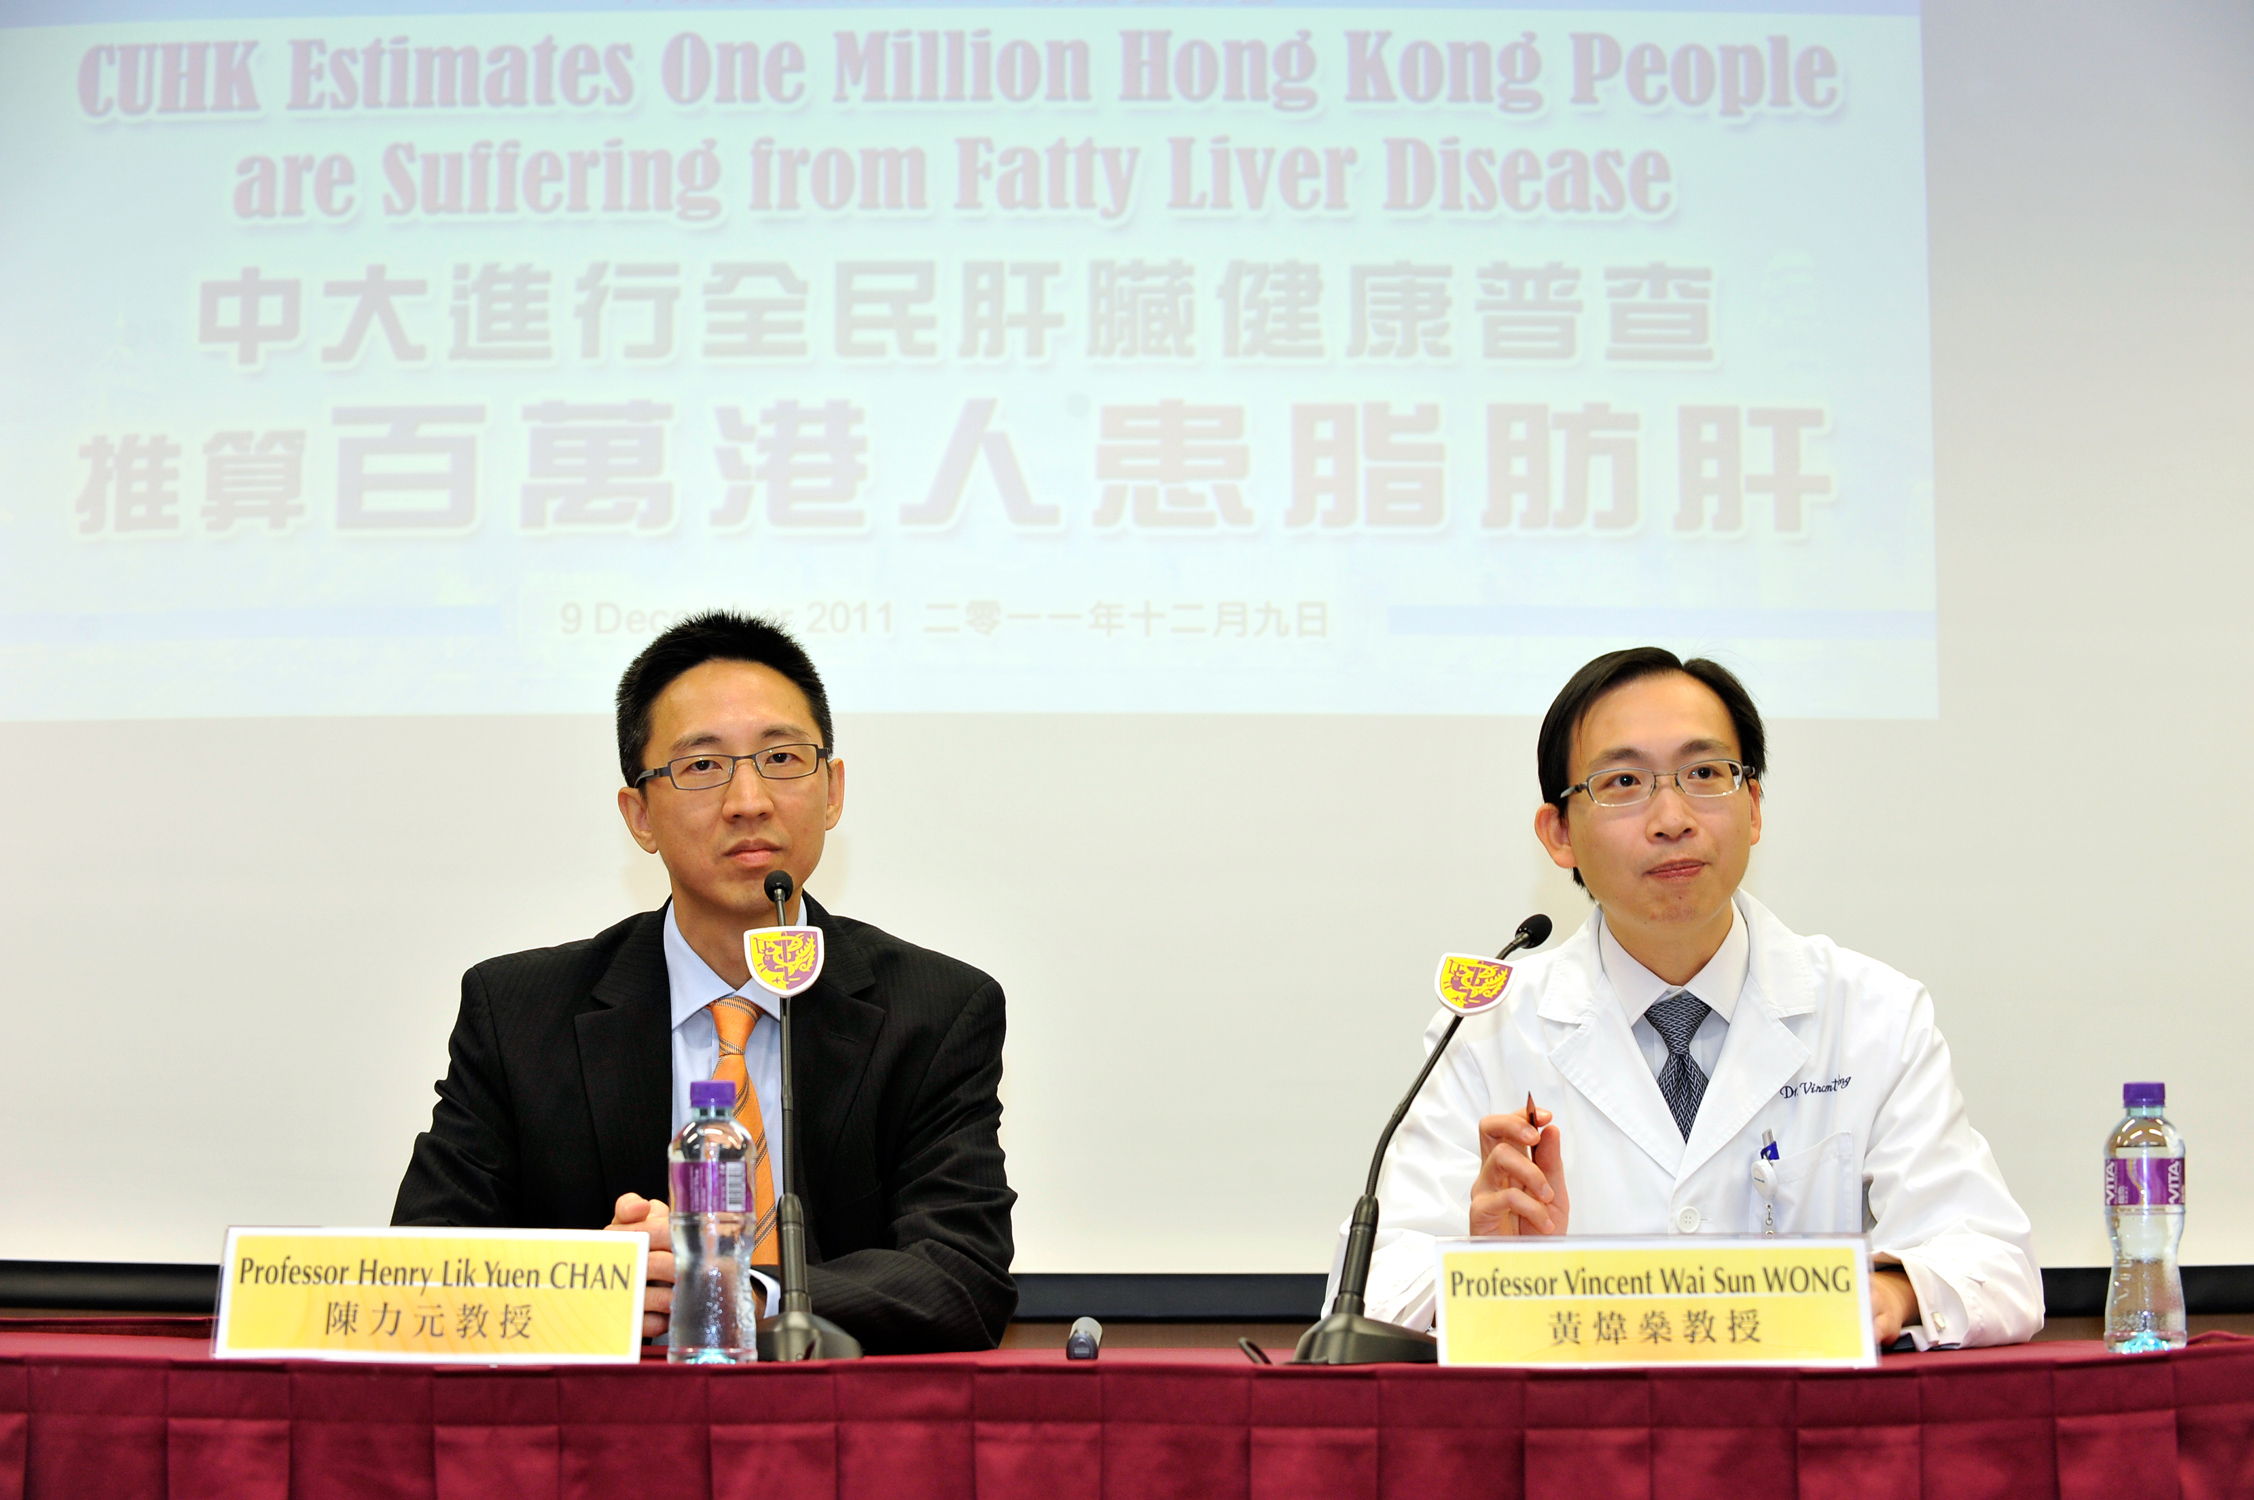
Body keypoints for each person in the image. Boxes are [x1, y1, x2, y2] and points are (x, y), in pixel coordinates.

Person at [1351, 647, 2041, 1348]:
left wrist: (1892, 1289)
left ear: (1755, 807)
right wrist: (1487, 1267)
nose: (1672, 817)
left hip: (1798, 1437)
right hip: (1582, 1440)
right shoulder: (1483, 1031)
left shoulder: (1873, 1013)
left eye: (1706, 774)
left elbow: (1996, 1263)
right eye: (1623, 781)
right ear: (1559, 835)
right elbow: (1370, 1294)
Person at [392, 611, 1016, 1352]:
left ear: (833, 790)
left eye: (782, 759)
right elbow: (425, 1271)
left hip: (843, 1437)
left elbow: (961, 1275)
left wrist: (736, 1293)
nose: (749, 799)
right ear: (639, 815)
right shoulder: (521, 1013)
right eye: (701, 765)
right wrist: (600, 1281)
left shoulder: (935, 1012)